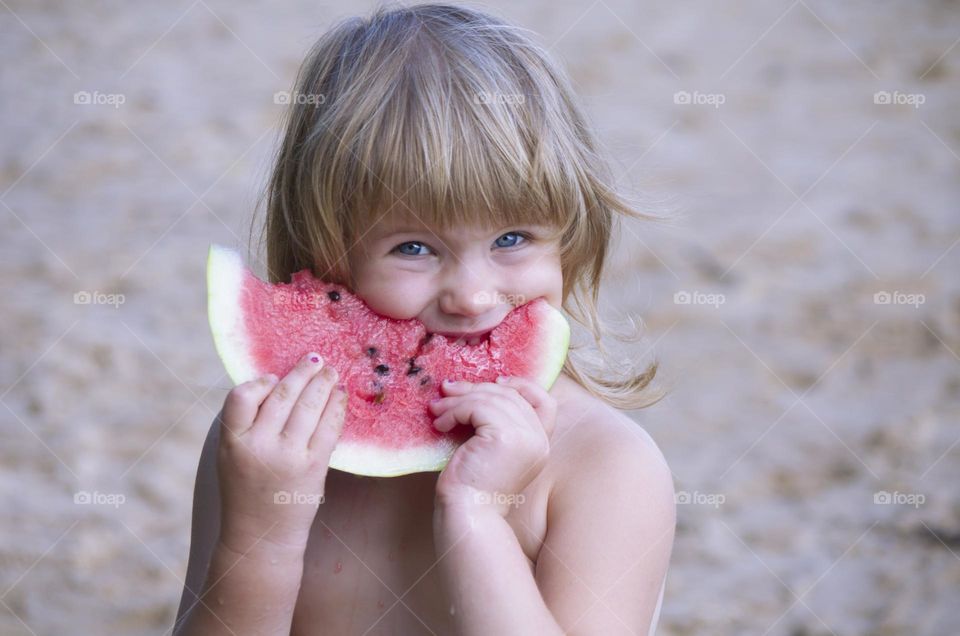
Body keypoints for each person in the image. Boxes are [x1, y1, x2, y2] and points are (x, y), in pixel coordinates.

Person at [174, 3, 675, 634]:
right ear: (326, 258)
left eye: (513, 238)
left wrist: (478, 515)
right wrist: (259, 539)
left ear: (574, 239)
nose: (471, 294)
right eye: (414, 247)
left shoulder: (606, 466)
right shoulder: (268, 442)